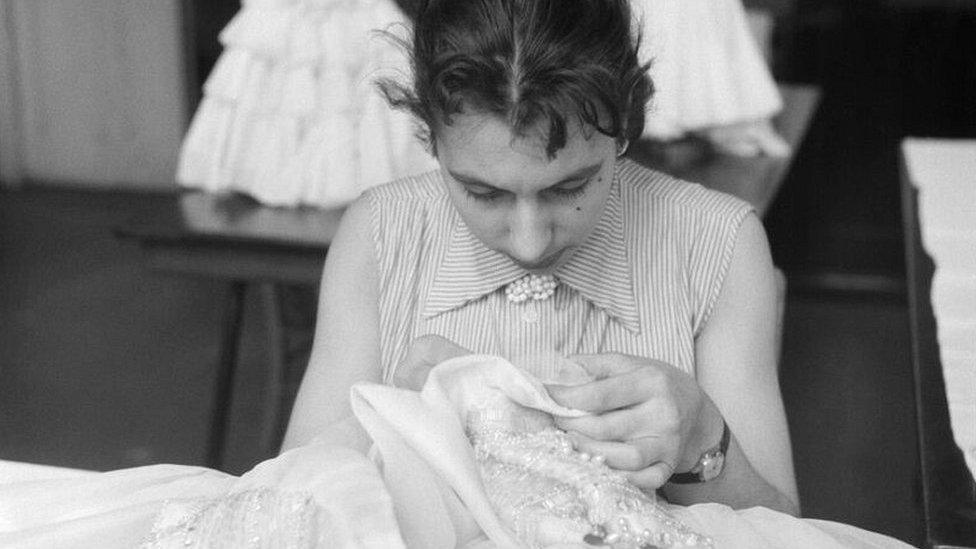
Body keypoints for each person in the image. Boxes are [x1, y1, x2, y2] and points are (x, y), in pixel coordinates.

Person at [283, 0, 798, 516]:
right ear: (429, 137)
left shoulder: (717, 243)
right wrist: (386, 426)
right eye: (482, 193)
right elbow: (291, 507)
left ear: (623, 125)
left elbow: (784, 530)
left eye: (569, 186)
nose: (529, 242)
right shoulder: (379, 237)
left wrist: (700, 436)